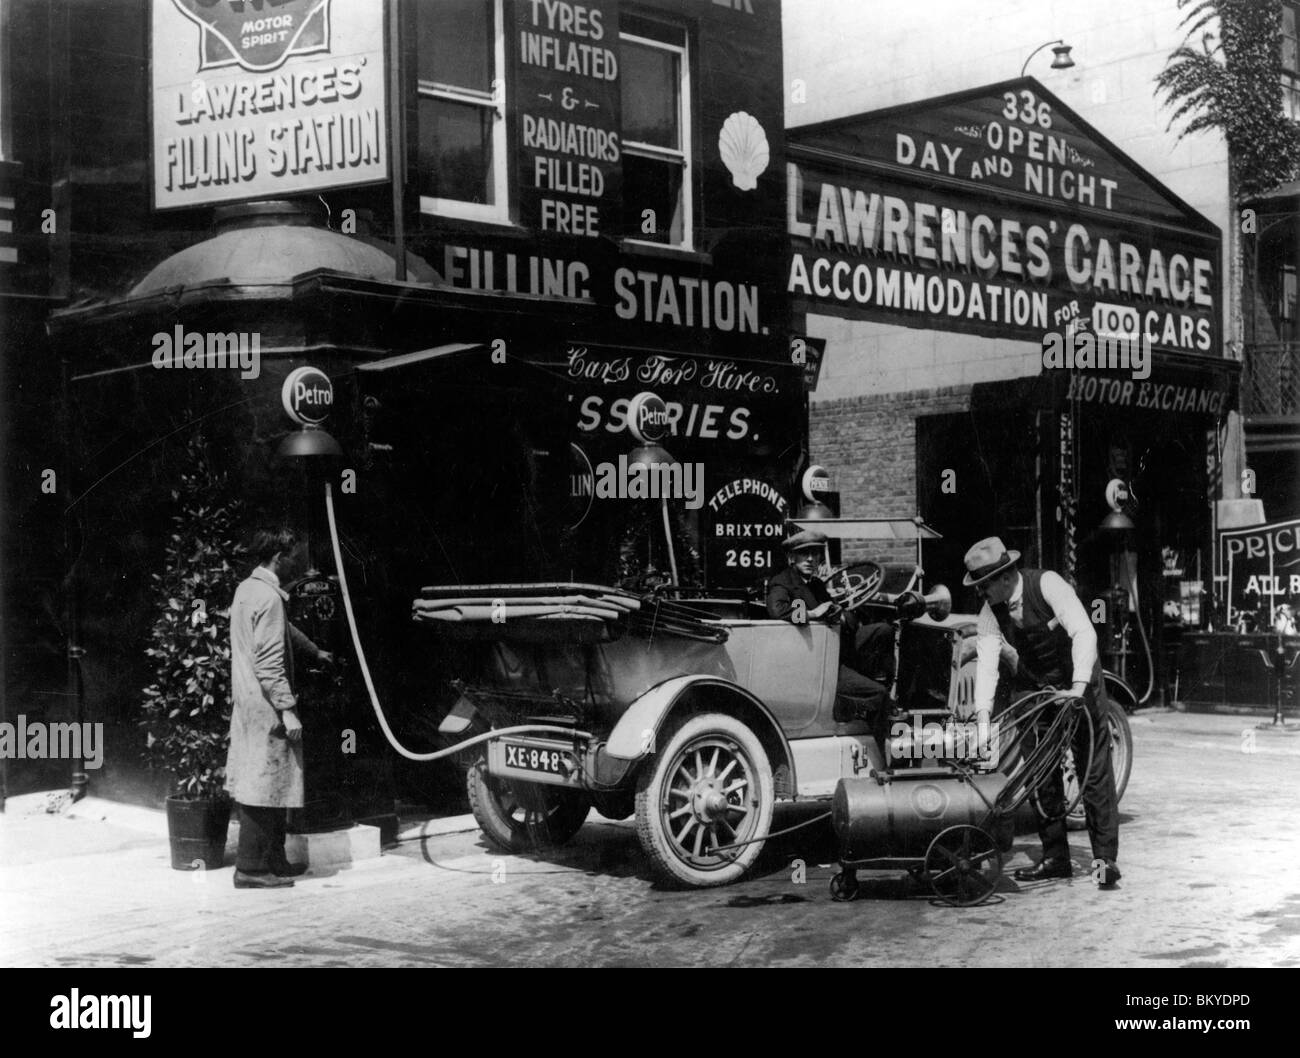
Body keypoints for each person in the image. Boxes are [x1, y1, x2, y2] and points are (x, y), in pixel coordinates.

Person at [964, 536, 1121, 887]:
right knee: (1040, 771)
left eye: (983, 584)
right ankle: (1055, 858)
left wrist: (1078, 687)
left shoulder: (1048, 584)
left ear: (1005, 577)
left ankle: (1104, 861)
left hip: (1078, 682)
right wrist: (983, 718)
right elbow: (988, 666)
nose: (981, 593)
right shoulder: (990, 612)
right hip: (1036, 685)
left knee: (1092, 772)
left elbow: (1083, 632)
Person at [225, 528, 333, 889]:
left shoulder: (247, 590)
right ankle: (251, 869)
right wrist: (287, 709)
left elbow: (279, 630)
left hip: (247, 701)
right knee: (263, 783)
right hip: (266, 704)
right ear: (279, 557)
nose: (299, 564)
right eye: (295, 557)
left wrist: (313, 650)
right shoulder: (270, 598)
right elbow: (269, 662)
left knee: (270, 781)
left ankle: (275, 860)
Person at [767, 530, 894, 722]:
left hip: (835, 647)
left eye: (815, 553)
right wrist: (813, 613)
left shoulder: (816, 584)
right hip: (817, 661)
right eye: (804, 553)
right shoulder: (783, 582)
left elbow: (834, 611)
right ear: (791, 557)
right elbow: (778, 610)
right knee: (879, 695)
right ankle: (865, 704)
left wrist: (841, 615)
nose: (810, 559)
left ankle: (869, 687)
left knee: (883, 630)